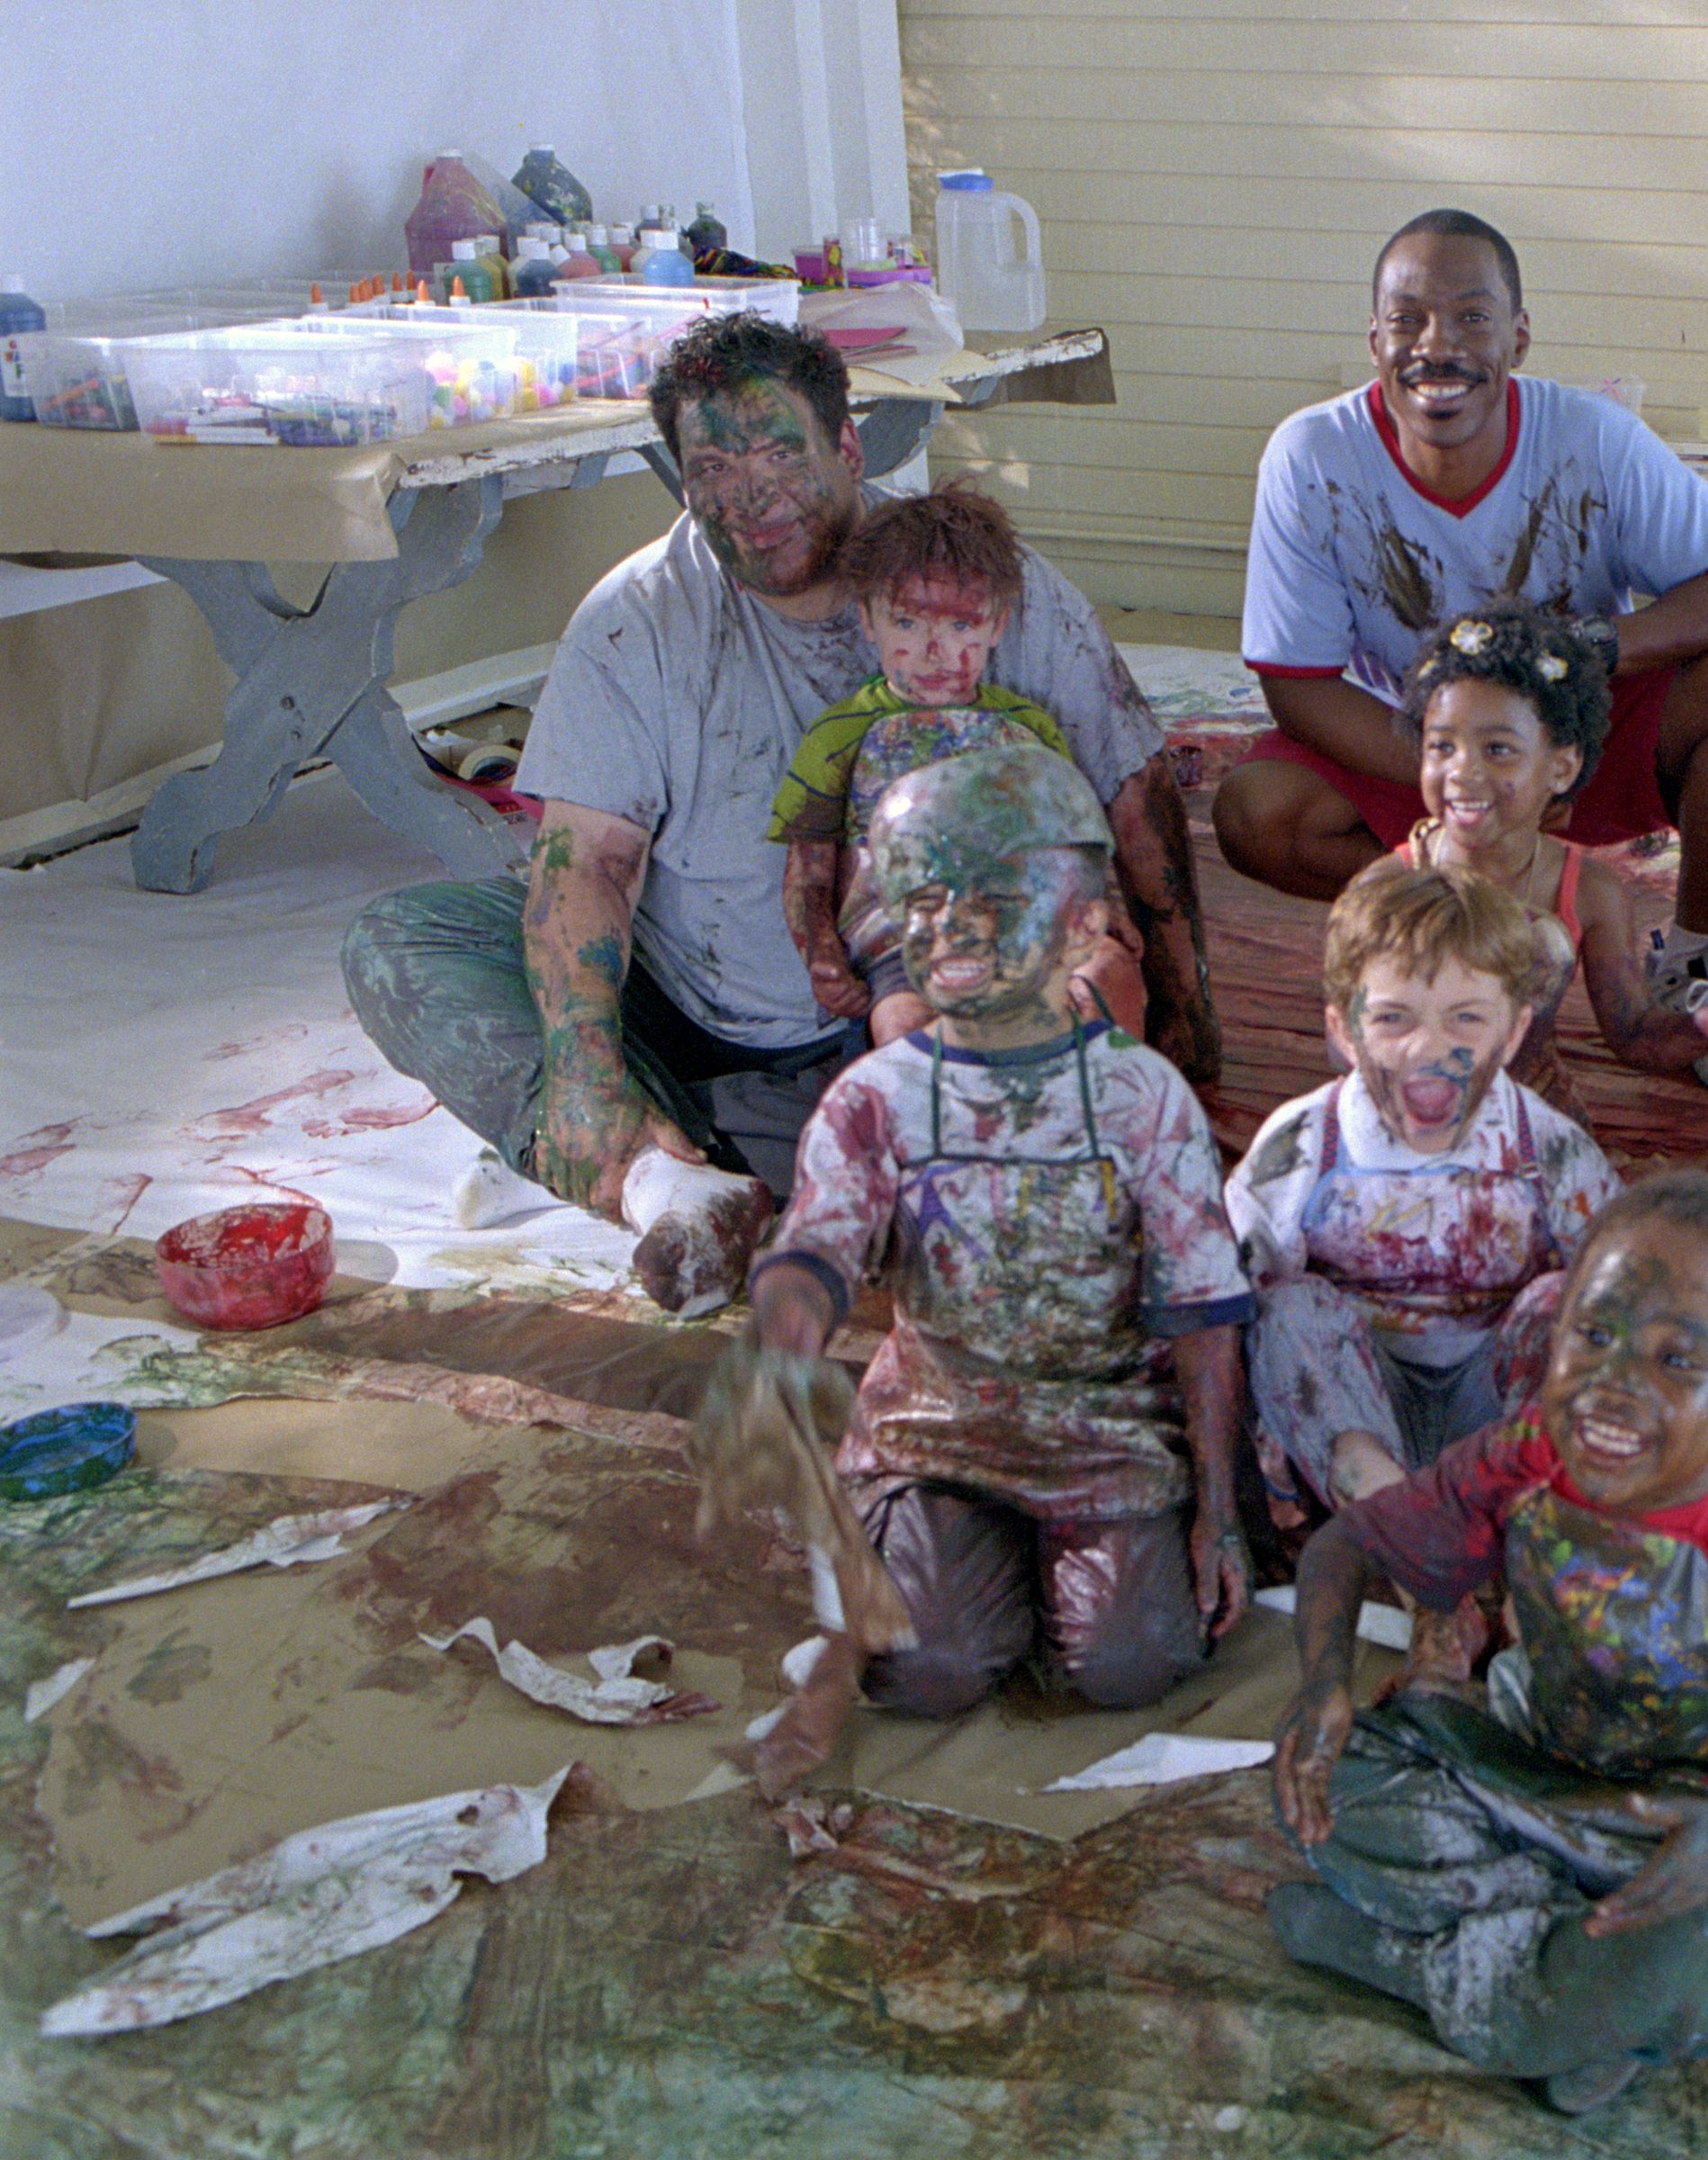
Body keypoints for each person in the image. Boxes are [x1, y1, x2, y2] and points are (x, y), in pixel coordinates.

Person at [340, 313, 1217, 1317]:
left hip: (929, 1008)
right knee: (400, 944)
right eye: (712, 464)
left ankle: (715, 1162)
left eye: (776, 451)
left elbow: (1131, 791)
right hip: (685, 1004)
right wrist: (583, 1072)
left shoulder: (967, 580)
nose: (750, 497)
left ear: (847, 446)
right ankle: (667, 1184)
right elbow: (584, 867)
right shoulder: (637, 621)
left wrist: (1190, 1021)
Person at [1266, 1174, 1708, 2116]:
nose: (1614, 1385)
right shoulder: (1525, 1455)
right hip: (1528, 1773)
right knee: (1328, 1779)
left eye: (1676, 1363)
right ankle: (1570, 2001)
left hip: (1691, 1830)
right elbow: (1347, 1542)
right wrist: (1324, 1683)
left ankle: (1416, 1963)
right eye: (1593, 1335)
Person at [730, 747, 1253, 1795]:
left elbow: (1204, 1313)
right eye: (923, 897)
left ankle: (1041, 1570)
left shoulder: (1140, 1099)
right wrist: (789, 1310)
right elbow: (824, 1241)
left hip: (1108, 1426)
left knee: (1130, 1662)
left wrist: (1219, 1513)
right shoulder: (875, 1097)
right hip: (936, 1428)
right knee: (930, 1668)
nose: (952, 924)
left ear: (1079, 925)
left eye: (994, 895)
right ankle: (949, 1560)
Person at [1214, 209, 1708, 1008]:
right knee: (1257, 812)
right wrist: (1465, 777)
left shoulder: (1593, 436)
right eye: (1407, 321)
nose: (1437, 346)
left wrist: (1592, 650)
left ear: (1517, 339)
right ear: (1374, 343)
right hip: (1422, 746)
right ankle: (1467, 922)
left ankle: (1695, 959)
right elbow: (1298, 683)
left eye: (1472, 318)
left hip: (1574, 744)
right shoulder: (1311, 455)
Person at [1228, 857, 1618, 1518]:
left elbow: (1625, 1284)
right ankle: (1404, 1525)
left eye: (1466, 1019)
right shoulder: (1305, 1145)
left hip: (1494, 1418)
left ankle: (1521, 1513)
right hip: (1358, 1415)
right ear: (1344, 1031)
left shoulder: (1543, 1146)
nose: (1429, 1050)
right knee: (1287, 1309)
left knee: (1571, 1302)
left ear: (1514, 1029)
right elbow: (1231, 1296)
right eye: (1393, 1020)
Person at [767, 485, 1146, 1048]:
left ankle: (1105, 1116)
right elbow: (810, 867)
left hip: (1029, 924)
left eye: (961, 627)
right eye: (907, 624)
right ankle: (949, 1132)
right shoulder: (838, 735)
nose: (934, 650)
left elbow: (1073, 840)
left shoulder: (1029, 728)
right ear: (867, 620)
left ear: (998, 626)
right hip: (907, 943)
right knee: (902, 1028)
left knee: (1109, 977)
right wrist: (822, 953)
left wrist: (1105, 907)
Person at [1387, 601, 1708, 1111]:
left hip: (1531, 1114)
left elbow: (1634, 1034)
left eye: (1497, 749)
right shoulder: (1388, 887)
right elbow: (1349, 1040)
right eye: (1442, 747)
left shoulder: (1590, 892)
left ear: (1562, 768)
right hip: (1411, 1113)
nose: (1462, 771)